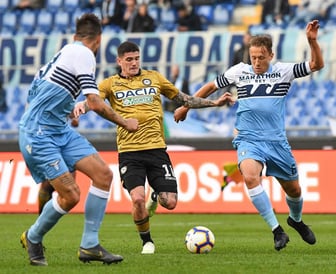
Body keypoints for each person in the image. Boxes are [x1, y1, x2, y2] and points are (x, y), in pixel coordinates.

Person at [174, 20, 324, 251]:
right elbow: (210, 86)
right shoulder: (239, 71)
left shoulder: (284, 72)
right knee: (251, 177)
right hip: (248, 138)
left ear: (270, 55)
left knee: (294, 190)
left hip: (276, 142)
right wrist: (186, 106)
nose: (256, 62)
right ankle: (277, 231)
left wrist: (312, 42)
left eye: (261, 57)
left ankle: (295, 220)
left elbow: (316, 65)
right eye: (253, 57)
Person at [74, 41, 234, 255]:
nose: (133, 63)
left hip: (157, 150)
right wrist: (81, 106)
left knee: (170, 202)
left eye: (136, 58)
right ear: (119, 61)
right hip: (129, 152)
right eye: (129, 59)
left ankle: (155, 197)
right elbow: (93, 101)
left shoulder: (155, 78)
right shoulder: (109, 84)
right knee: (137, 198)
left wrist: (213, 103)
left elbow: (183, 98)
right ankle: (147, 241)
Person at [19, 13, 139, 266]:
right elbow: (95, 103)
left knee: (103, 175)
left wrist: (66, 111)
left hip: (57, 130)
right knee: (71, 195)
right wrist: (125, 122)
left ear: (75, 36)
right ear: (99, 40)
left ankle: (89, 246)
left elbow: (35, 95)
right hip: (39, 135)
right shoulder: (85, 54)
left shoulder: (64, 53)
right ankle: (33, 236)